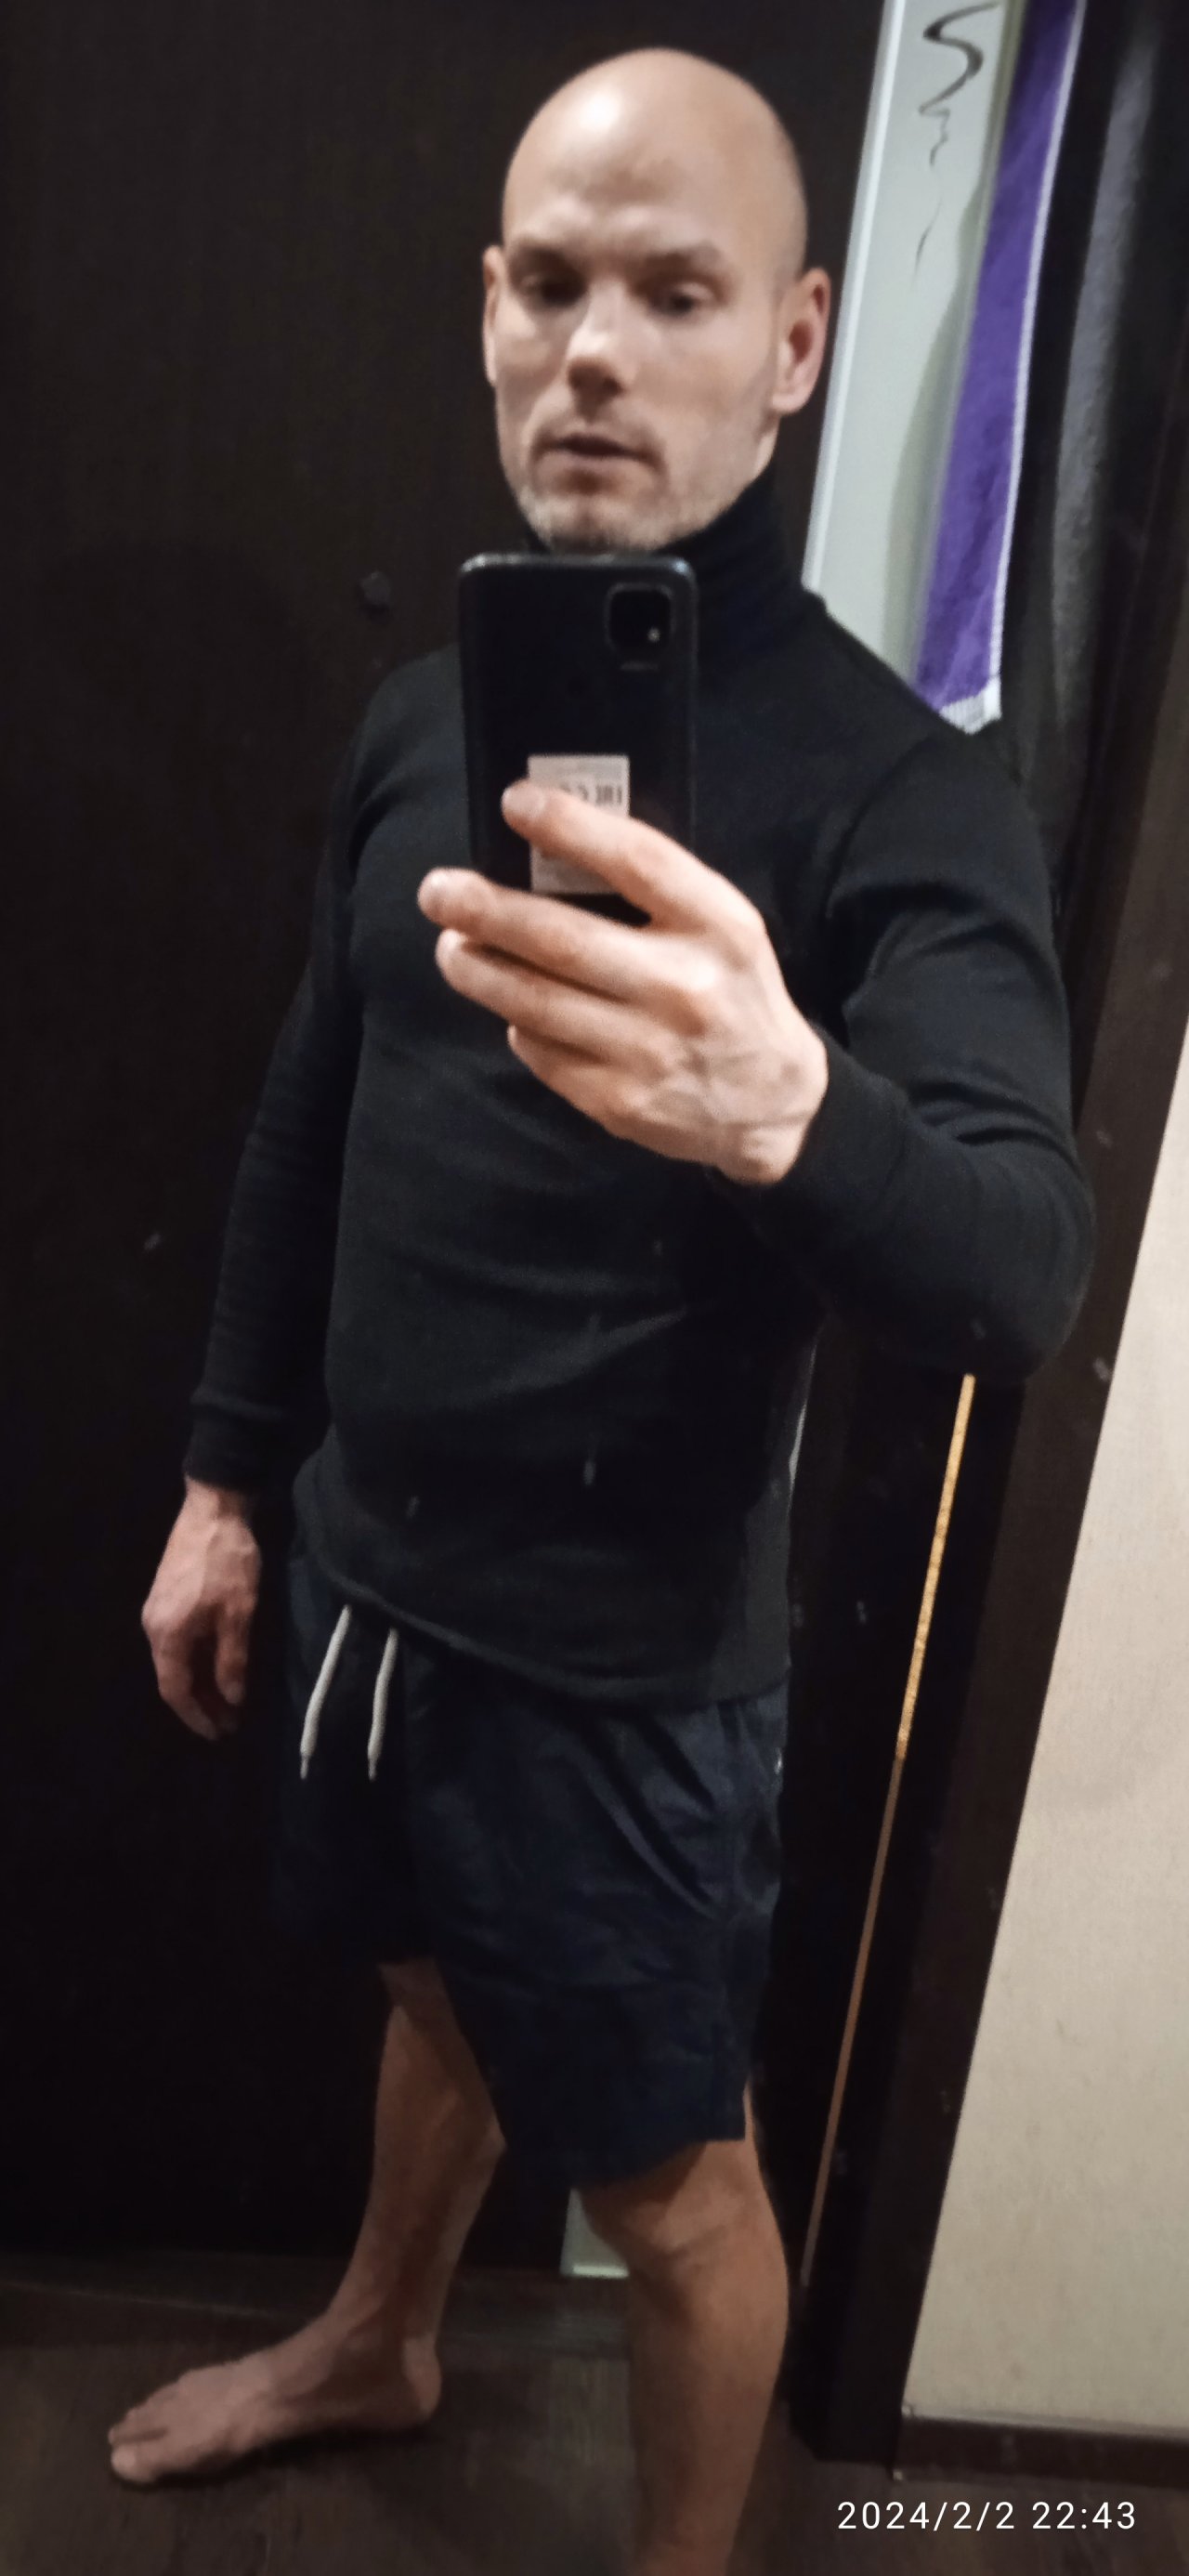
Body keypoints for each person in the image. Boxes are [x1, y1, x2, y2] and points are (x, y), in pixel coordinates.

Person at [110, 44, 1095, 2576]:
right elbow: (311, 1118)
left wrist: (787, 1102)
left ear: (795, 342)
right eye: (551, 286)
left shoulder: (904, 799)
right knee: (428, 1989)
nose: (594, 354)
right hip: (368, 1578)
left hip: (624, 1674)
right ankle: (383, 2335)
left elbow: (1014, 1269)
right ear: (485, 309)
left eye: (674, 295)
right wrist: (227, 1486)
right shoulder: (417, 720)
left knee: (669, 2191)